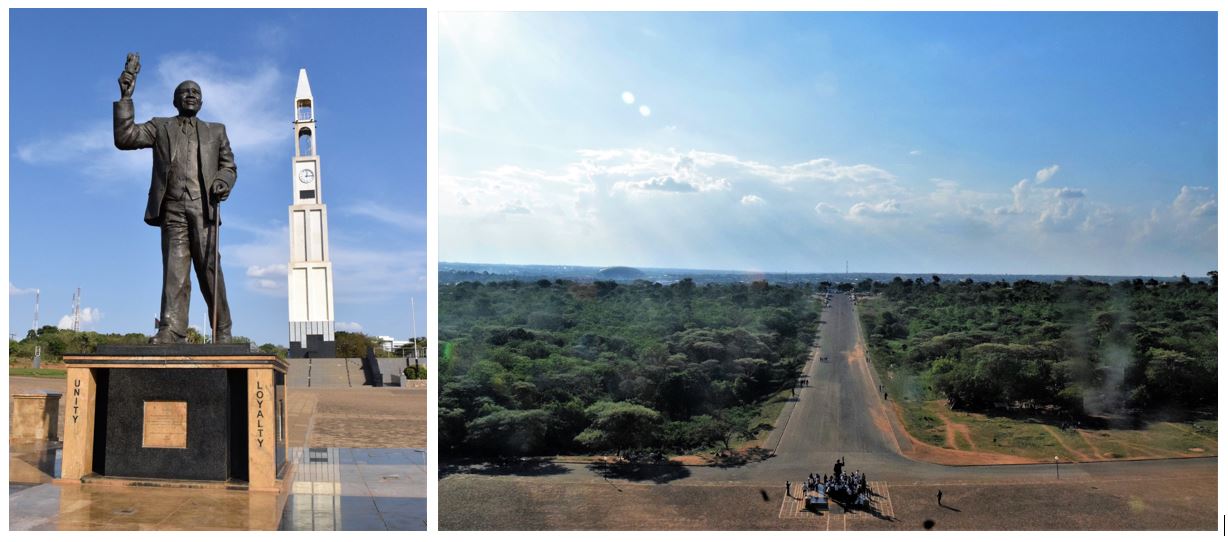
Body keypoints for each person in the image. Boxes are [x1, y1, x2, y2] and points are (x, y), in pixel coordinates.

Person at [114, 54, 235, 344]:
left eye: (196, 92)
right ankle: (172, 328)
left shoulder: (216, 131)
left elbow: (228, 166)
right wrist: (126, 98)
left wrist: (222, 181)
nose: (190, 95)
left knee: (208, 268)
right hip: (171, 207)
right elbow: (126, 137)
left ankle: (223, 330)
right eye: (185, 91)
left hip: (203, 206)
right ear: (175, 100)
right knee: (175, 269)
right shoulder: (160, 126)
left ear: (202, 102)